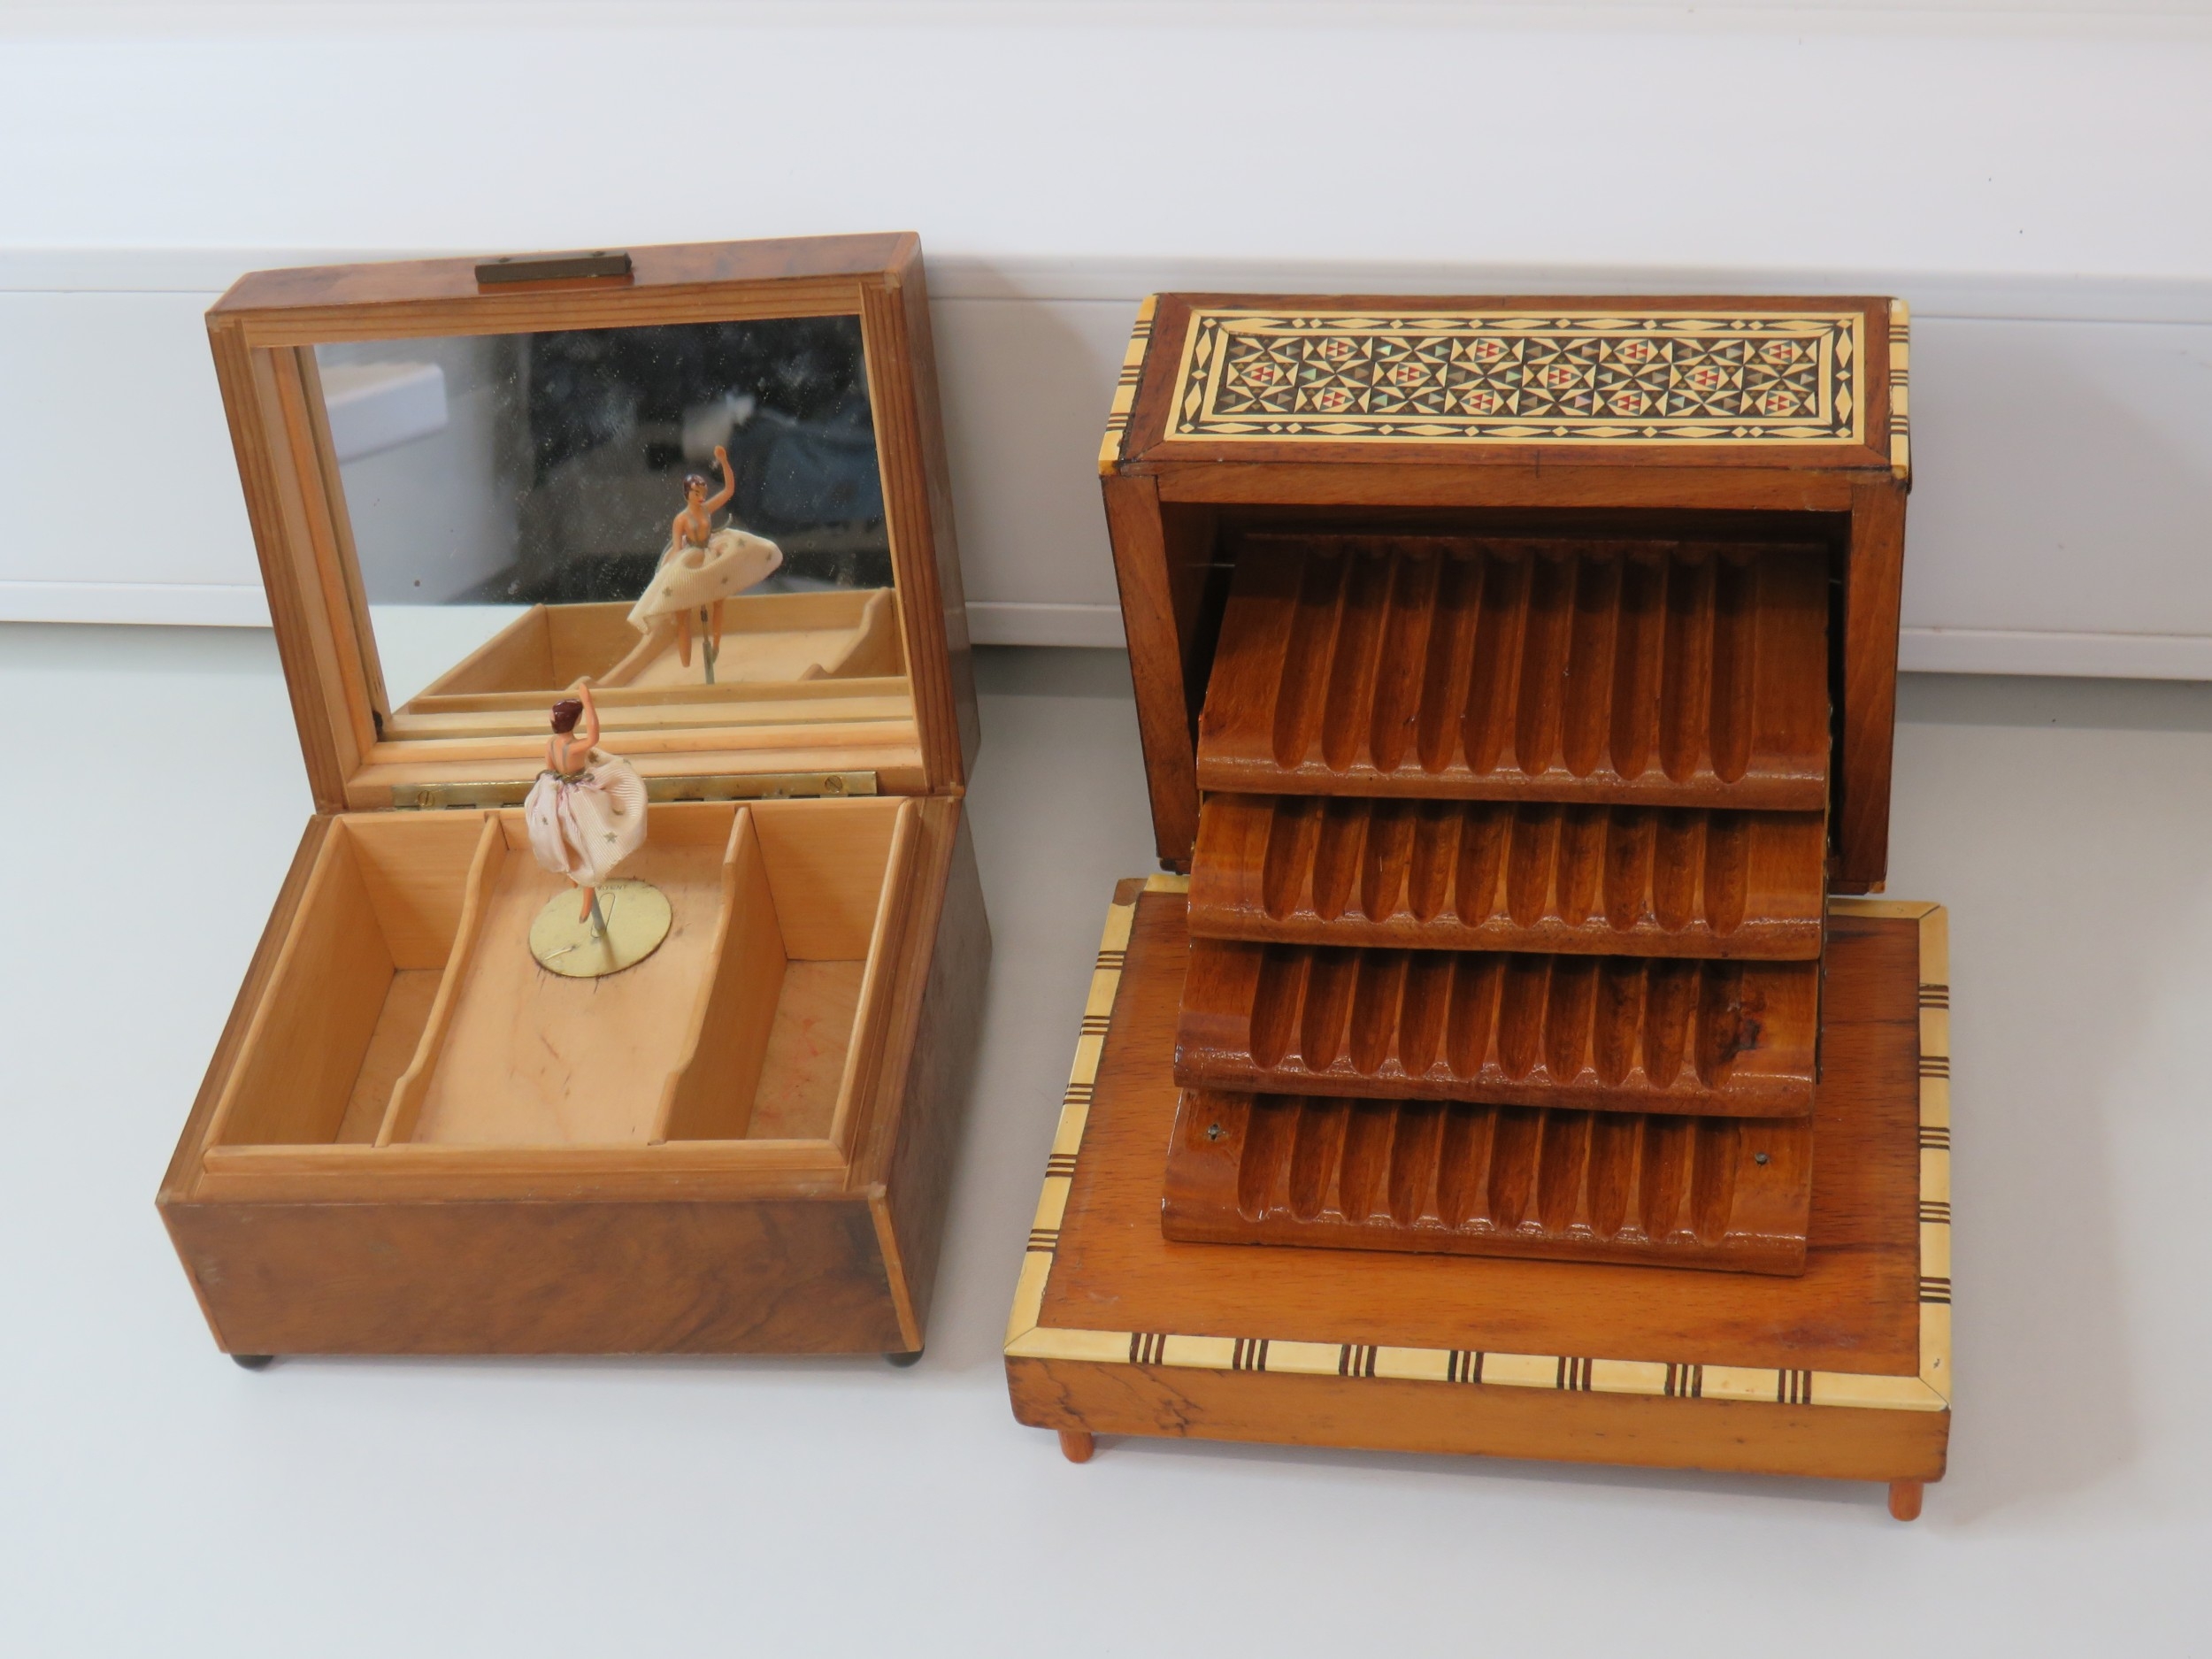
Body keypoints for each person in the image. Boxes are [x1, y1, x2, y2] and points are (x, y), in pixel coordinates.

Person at [625, 444, 784, 678]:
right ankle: (685, 656)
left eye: (703, 492)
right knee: (683, 610)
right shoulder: (681, 519)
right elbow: (677, 546)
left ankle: (716, 644)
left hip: (710, 554)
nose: (701, 497)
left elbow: (729, 490)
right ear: (687, 494)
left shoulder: (707, 510)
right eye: (696, 493)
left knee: (718, 601)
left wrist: (724, 461)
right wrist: (677, 565)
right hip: (691, 558)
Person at [522, 680, 646, 934]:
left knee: (567, 839)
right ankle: (587, 902)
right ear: (576, 721)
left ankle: (573, 878)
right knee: (589, 844)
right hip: (578, 797)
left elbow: (549, 769)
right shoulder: (572, 746)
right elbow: (593, 737)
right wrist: (588, 703)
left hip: (555, 794)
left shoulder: (551, 743)